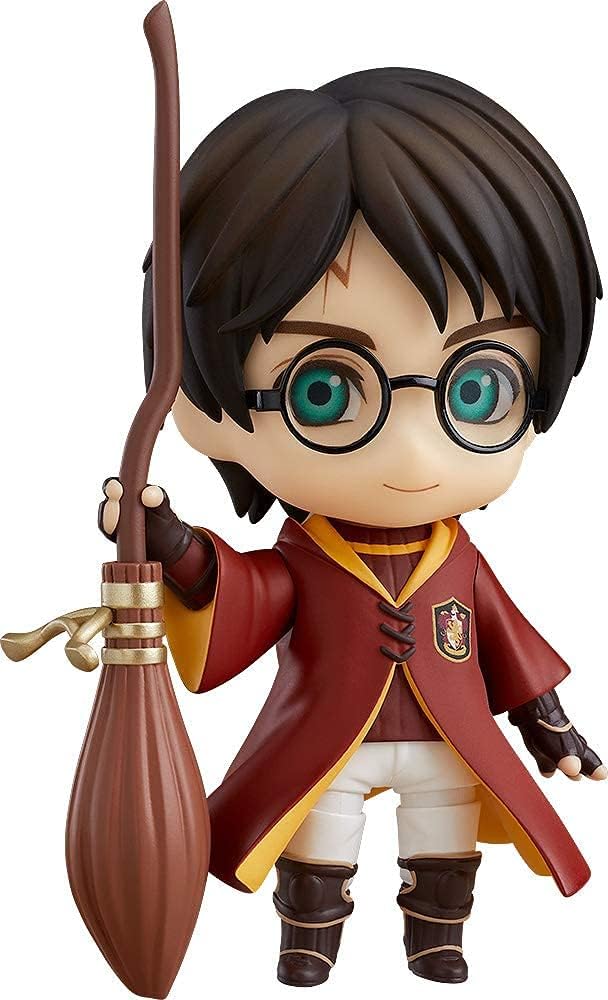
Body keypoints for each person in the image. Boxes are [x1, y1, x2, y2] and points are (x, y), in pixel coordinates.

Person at [100, 68, 604, 987]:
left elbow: (508, 642)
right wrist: (169, 541)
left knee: (446, 839)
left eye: (476, 388)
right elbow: (241, 593)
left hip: (450, 738)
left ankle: (437, 933)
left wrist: (550, 721)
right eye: (325, 390)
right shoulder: (309, 559)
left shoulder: (458, 561)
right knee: (318, 840)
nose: (413, 451)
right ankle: (309, 934)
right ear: (206, 411)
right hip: (327, 739)